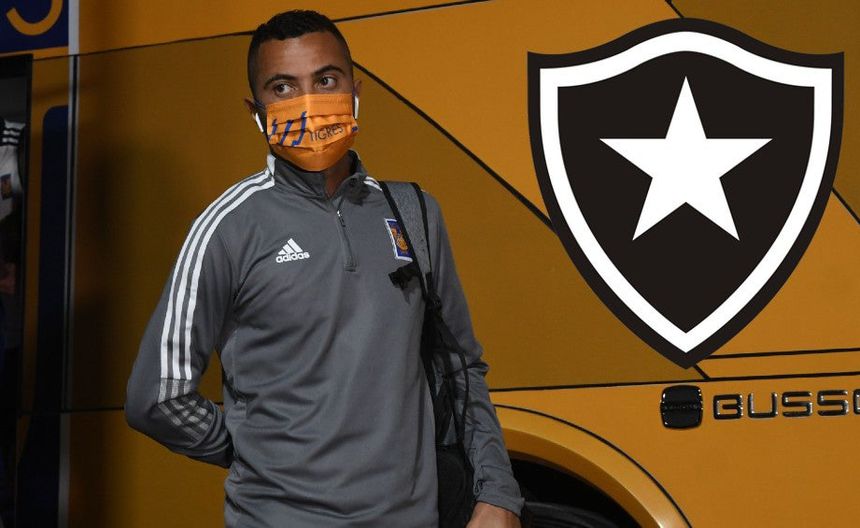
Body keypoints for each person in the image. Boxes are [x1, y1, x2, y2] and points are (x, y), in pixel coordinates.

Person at [125, 10, 523, 527]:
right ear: (256, 109)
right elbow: (157, 397)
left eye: (326, 81)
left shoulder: (413, 213)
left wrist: (499, 493)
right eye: (283, 87)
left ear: (356, 91)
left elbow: (461, 367)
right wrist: (251, 450)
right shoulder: (227, 228)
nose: (309, 102)